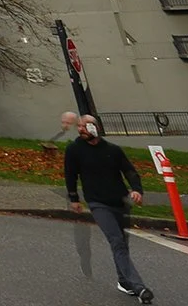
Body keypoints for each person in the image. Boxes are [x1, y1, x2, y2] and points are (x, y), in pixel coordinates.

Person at [64, 113, 153, 302]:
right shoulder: (74, 150)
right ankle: (139, 287)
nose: (80, 129)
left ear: (95, 128)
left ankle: (124, 281)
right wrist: (74, 198)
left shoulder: (113, 150)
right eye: (79, 126)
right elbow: (70, 175)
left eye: (85, 126)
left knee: (122, 243)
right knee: (117, 241)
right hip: (98, 203)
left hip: (120, 201)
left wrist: (137, 190)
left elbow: (129, 171)